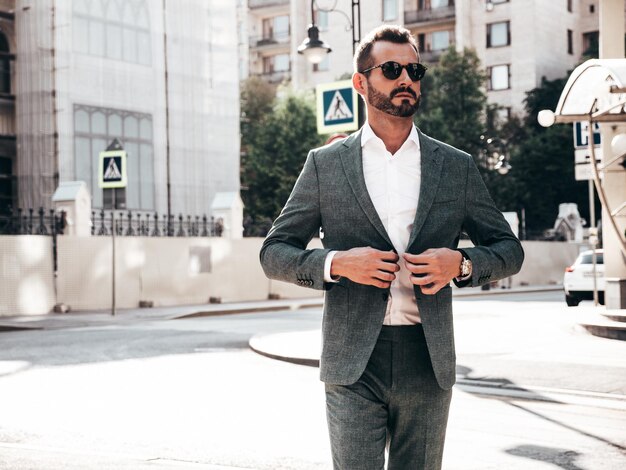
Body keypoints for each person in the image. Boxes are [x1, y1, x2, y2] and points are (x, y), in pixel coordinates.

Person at [260, 25, 524, 470]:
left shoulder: (454, 166)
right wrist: (338, 264)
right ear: (361, 83)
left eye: (414, 70)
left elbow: (508, 249)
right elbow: (274, 253)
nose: (406, 79)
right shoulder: (325, 165)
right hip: (353, 362)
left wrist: (460, 264)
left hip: (427, 357)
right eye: (392, 69)